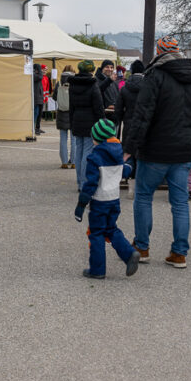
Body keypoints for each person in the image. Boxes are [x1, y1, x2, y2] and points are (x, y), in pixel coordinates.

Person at [124, 36, 191, 269]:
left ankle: (142, 246)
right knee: (180, 202)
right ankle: (179, 253)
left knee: (143, 196)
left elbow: (143, 114)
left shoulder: (155, 75)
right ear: (178, 51)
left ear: (159, 52)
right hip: (183, 150)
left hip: (155, 149)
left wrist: (130, 148)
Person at [72, 119, 141, 279]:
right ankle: (129, 253)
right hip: (114, 200)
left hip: (99, 201)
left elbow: (91, 184)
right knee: (111, 229)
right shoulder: (118, 153)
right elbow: (124, 171)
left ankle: (97, 269)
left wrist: (81, 203)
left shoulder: (94, 158)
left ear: (98, 138)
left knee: (96, 233)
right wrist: (130, 166)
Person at [68, 60, 106, 189]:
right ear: (91, 70)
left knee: (79, 151)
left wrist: (71, 122)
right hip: (90, 121)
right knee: (88, 152)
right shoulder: (92, 84)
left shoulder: (72, 84)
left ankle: (80, 181)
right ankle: (85, 182)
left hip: (77, 119)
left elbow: (71, 106)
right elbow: (98, 106)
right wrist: (102, 122)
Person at [113, 59, 145, 182]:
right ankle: (140, 176)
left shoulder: (125, 88)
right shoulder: (148, 87)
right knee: (141, 150)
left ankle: (127, 175)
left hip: (129, 122)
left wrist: (118, 120)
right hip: (144, 122)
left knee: (128, 149)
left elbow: (118, 109)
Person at [54, 65, 75, 169]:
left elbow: (54, 97)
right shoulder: (75, 82)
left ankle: (64, 162)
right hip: (73, 113)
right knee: (74, 138)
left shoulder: (59, 83)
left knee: (63, 138)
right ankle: (74, 161)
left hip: (62, 113)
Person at [32, 63, 45, 134]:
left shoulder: (37, 74)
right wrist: (39, 69)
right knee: (36, 114)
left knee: (39, 114)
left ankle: (37, 128)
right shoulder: (33, 75)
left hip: (40, 98)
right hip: (36, 98)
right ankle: (33, 129)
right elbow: (40, 77)